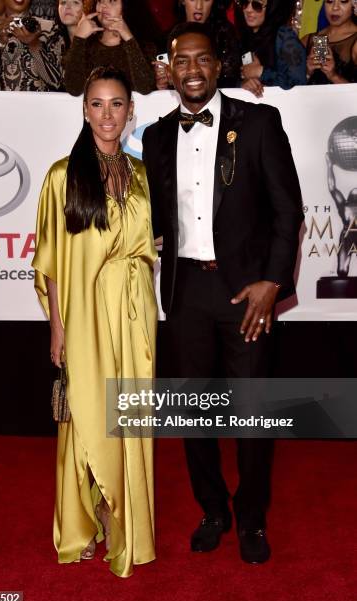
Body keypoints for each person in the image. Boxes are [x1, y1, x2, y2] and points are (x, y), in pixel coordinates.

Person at [142, 21, 303, 564]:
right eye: (181, 60)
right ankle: (213, 509)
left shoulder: (259, 122)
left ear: (219, 65)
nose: (192, 69)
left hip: (245, 296)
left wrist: (272, 282)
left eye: (202, 59)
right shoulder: (158, 135)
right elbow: (153, 217)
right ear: (170, 67)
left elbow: (288, 212)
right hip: (185, 291)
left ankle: (252, 519)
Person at [32, 66, 157, 577]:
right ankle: (82, 522)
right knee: (86, 413)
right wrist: (57, 327)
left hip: (134, 314)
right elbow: (54, 262)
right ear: (85, 110)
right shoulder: (63, 175)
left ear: (131, 112)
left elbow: (146, 245)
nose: (108, 114)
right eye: (98, 104)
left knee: (125, 416)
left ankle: (121, 522)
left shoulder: (141, 173)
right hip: (84, 314)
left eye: (117, 104)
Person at [64, 0, 156, 95]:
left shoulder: (143, 45)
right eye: (100, 1)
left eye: (112, 1)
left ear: (127, 7)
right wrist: (79, 38)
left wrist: (128, 38)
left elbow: (145, 87)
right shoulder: (86, 44)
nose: (104, 5)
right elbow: (73, 89)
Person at [0, 0, 64, 90]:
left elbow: (56, 83)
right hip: (3, 103)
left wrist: (34, 45)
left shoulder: (49, 29)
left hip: (39, 103)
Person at [154, 0, 241, 90]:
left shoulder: (225, 35)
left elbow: (231, 82)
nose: (199, 6)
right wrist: (162, 87)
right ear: (182, 1)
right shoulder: (167, 39)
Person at [235, 0, 306, 98]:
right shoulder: (245, 38)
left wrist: (261, 72)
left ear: (272, 8)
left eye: (257, 5)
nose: (248, 10)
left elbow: (299, 84)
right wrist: (244, 84)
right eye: (245, 3)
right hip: (254, 108)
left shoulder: (284, 37)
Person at [303, 0, 357, 85]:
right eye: (329, 1)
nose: (335, 8)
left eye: (343, 1)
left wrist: (333, 76)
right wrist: (307, 72)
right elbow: (286, 89)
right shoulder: (308, 40)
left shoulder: (354, 42)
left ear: (355, 5)